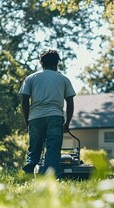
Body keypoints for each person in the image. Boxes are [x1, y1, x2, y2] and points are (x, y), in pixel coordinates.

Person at [19, 49, 76, 178]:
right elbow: (70, 103)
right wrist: (67, 123)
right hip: (55, 117)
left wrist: (27, 120)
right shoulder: (64, 79)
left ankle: (29, 173)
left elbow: (24, 101)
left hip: (35, 117)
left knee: (34, 148)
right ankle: (51, 176)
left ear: (41, 63)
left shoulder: (31, 78)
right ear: (57, 63)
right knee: (53, 149)